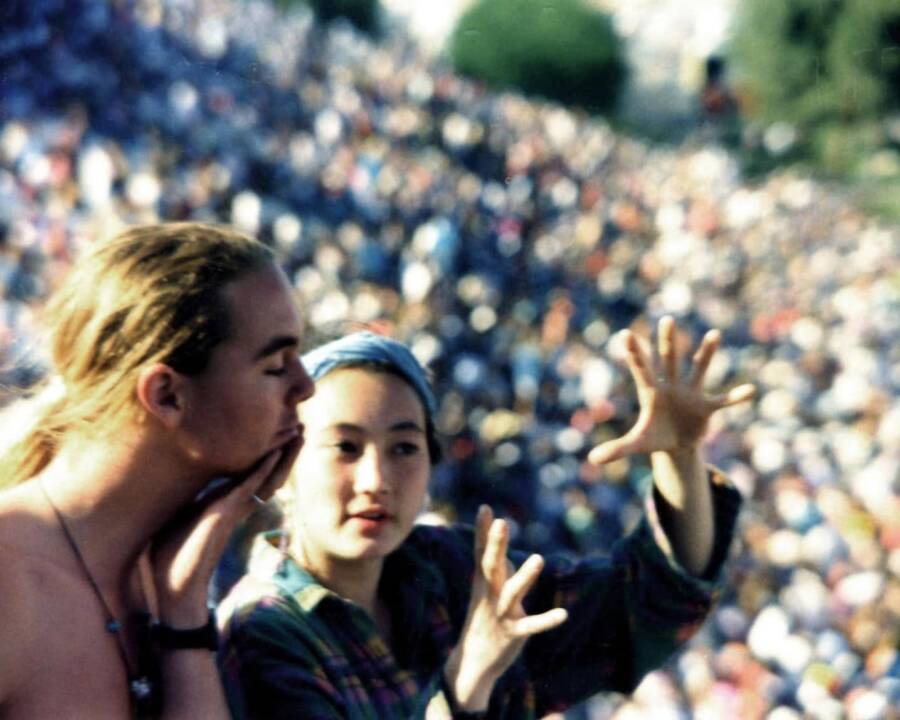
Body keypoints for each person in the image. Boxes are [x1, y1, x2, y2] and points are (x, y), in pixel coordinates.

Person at [218, 318, 756, 718]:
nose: (376, 479)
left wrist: (680, 458)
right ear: (282, 463)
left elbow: (641, 606)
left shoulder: (450, 575)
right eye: (345, 447)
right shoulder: (264, 630)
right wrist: (466, 683)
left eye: (404, 448)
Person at [0, 222, 314, 719]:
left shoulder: (160, 576)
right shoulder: (10, 579)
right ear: (167, 395)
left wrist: (183, 611)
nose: (305, 386)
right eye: (276, 364)